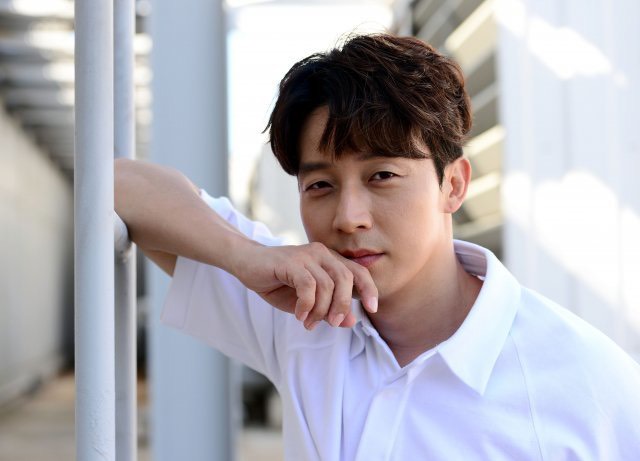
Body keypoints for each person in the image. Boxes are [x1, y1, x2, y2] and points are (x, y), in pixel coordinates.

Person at [115, 33, 640, 460]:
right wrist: (246, 257)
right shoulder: (301, 312)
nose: (348, 218)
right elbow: (117, 186)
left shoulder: (586, 383)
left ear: (454, 184)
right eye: (320, 185)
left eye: (382, 175)